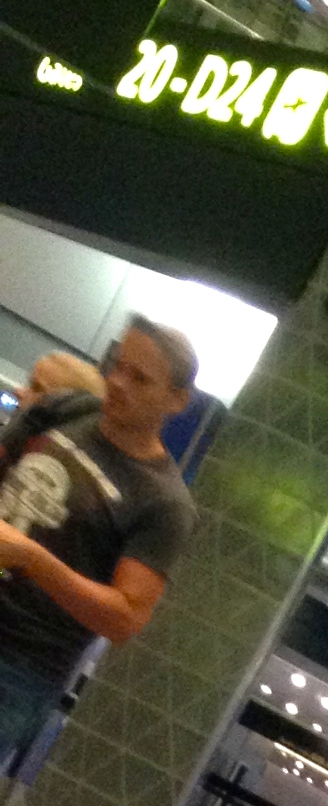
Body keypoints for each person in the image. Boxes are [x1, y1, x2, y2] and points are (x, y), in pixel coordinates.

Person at [0, 320, 197, 774]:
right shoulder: (67, 408)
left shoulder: (164, 502)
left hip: (19, 663)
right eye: (118, 367)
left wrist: (32, 557)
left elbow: (125, 616)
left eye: (140, 378)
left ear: (177, 400)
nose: (119, 383)